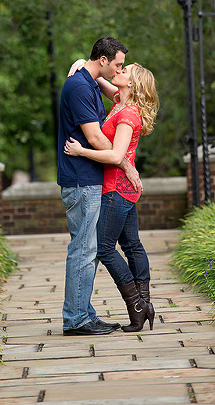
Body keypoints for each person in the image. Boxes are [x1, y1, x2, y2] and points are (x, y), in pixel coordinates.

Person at [64, 63, 159, 332]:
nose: (119, 71)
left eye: (125, 70)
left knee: (105, 248)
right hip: (124, 188)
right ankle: (144, 306)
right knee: (132, 246)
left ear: (133, 83)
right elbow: (96, 76)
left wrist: (82, 151)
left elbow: (117, 156)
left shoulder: (128, 114)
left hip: (116, 190)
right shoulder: (120, 100)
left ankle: (137, 305)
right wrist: (83, 62)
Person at [57, 36, 142, 336]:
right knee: (84, 249)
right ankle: (77, 319)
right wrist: (124, 163)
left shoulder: (89, 82)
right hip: (81, 179)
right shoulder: (81, 86)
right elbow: (94, 138)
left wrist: (79, 62)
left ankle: (83, 313)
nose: (119, 70)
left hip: (88, 178)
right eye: (117, 64)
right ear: (104, 60)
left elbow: (117, 92)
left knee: (89, 248)